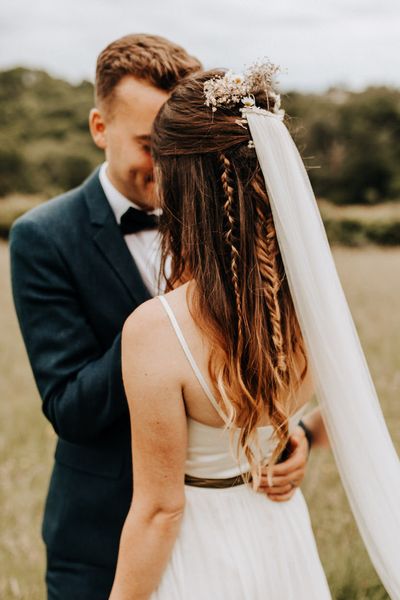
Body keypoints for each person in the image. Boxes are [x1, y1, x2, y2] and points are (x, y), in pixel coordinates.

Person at [9, 38, 311, 599]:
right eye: (150, 145)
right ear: (100, 127)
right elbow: (70, 408)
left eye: (180, 150)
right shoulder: (42, 237)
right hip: (103, 531)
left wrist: (294, 435)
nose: (164, 167)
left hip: (232, 524)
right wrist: (164, 329)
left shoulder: (249, 242)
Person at [110, 64, 400, 599]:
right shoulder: (307, 303)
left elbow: (159, 510)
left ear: (182, 185)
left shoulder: (157, 328)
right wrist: (303, 437)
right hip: (282, 535)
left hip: (201, 555)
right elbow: (350, 405)